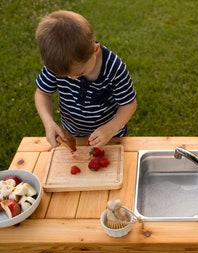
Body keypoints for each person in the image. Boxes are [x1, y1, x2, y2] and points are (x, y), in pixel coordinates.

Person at [34, 10, 137, 149]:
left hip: (110, 138)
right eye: (66, 77)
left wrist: (111, 128)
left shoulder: (114, 68)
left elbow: (129, 104)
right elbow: (42, 93)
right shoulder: (58, 64)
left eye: (79, 72)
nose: (73, 78)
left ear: (95, 50)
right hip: (73, 135)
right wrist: (48, 122)